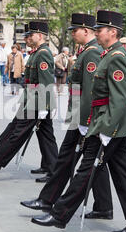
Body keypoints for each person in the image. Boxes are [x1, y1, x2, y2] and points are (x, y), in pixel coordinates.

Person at [31, 10, 126, 232]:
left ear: (112, 32)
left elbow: (120, 98)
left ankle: (60, 214)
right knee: (125, 175)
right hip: (107, 123)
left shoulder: (116, 57)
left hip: (109, 125)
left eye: (100, 29)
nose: (96, 33)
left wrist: (107, 130)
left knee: (86, 170)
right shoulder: (108, 54)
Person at [20, 13, 113, 219]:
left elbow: (90, 91)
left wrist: (85, 121)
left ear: (85, 31)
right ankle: (103, 206)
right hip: (80, 115)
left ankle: (48, 200)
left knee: (69, 160)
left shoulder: (92, 54)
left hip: (84, 118)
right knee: (88, 161)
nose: (72, 34)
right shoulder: (86, 52)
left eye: (75, 30)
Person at [0, 21, 58, 183]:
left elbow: (46, 82)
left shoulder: (44, 53)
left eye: (30, 35)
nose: (27, 38)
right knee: (45, 135)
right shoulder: (37, 52)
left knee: (19, 131)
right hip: (32, 98)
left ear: (40, 35)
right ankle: (51, 167)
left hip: (38, 101)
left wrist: (44, 106)